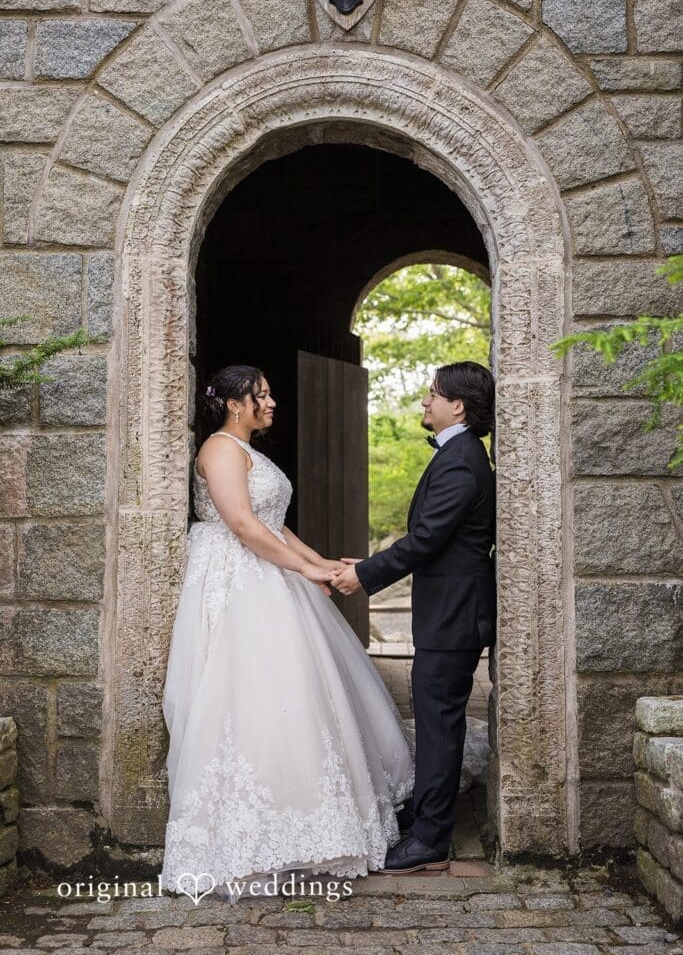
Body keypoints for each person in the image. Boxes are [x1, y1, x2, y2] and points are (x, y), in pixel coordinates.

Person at [160, 364, 414, 901]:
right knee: (248, 696)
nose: (272, 403)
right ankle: (248, 837)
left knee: (297, 695)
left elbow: (275, 525)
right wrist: (304, 571)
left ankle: (317, 823)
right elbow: (245, 527)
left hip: (267, 570)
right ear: (235, 403)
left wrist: (319, 562)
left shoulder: (250, 451)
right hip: (238, 580)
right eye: (263, 395)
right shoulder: (221, 450)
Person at [332, 361, 496, 874]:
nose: (425, 402)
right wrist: (368, 565)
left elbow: (427, 540)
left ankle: (430, 838)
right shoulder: (458, 455)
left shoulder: (463, 459)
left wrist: (364, 577)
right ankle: (423, 818)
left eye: (432, 394)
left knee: (439, 726)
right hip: (446, 613)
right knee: (432, 721)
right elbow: (434, 539)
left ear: (458, 406)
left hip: (454, 617)